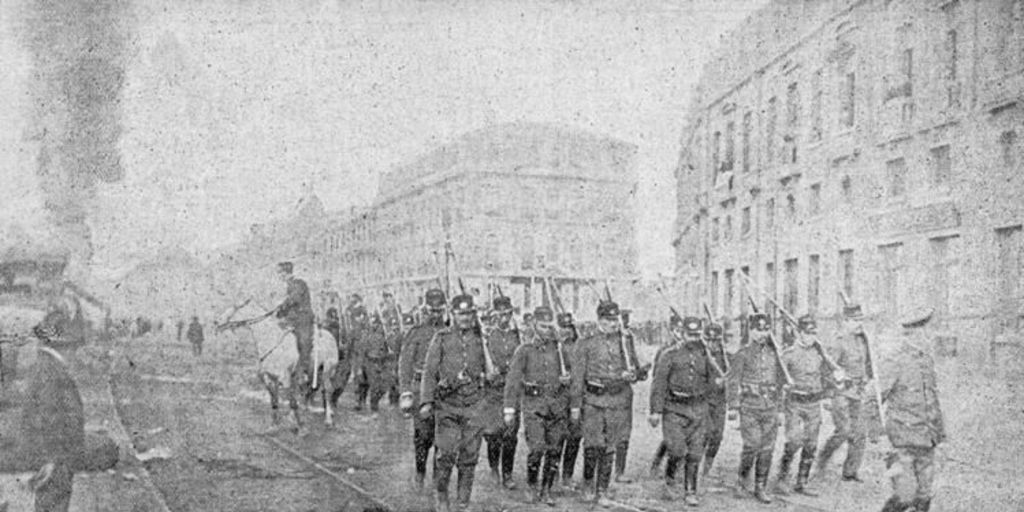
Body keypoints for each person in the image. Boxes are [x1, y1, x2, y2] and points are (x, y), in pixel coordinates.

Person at [569, 300, 646, 504]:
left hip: (617, 400)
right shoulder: (586, 342)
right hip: (593, 400)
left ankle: (602, 490)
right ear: (600, 320)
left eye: (616, 319)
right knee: (593, 445)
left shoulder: (625, 341)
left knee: (610, 447)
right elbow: (577, 377)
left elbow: (636, 369)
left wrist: (635, 375)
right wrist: (575, 406)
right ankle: (587, 484)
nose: (614, 324)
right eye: (609, 319)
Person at [419, 294, 489, 512]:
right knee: (446, 454)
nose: (465, 318)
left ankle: (463, 502)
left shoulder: (482, 338)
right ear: (453, 314)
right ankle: (441, 496)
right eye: (461, 314)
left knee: (469, 457)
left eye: (469, 313)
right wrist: (426, 401)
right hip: (448, 405)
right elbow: (430, 371)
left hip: (474, 406)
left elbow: (492, 371)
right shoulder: (442, 337)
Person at [503, 306, 572, 505]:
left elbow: (573, 374)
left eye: (550, 326)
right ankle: (532, 486)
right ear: (534, 325)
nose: (547, 330)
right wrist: (509, 409)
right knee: (537, 448)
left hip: (557, 406)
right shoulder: (524, 350)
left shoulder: (560, 350)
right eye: (543, 326)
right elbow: (513, 381)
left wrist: (568, 378)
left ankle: (547, 489)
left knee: (554, 450)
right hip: (534, 406)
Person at [879, 308, 945, 512]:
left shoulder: (926, 360)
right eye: (927, 332)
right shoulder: (895, 360)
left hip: (926, 440)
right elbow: (872, 398)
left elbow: (932, 400)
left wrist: (940, 434)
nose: (930, 336)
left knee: (924, 496)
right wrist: (879, 436)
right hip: (903, 442)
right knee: (905, 496)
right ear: (915, 334)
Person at [649, 315, 715, 506]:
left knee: (695, 453)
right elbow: (659, 384)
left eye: (696, 335)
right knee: (676, 450)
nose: (693, 339)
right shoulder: (669, 354)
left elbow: (712, 381)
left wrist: (718, 384)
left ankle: (690, 491)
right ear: (682, 334)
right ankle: (670, 478)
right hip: (674, 409)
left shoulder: (706, 355)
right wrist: (656, 411)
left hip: (698, 409)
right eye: (689, 335)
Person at [729, 313, 787, 504]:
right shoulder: (743, 353)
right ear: (751, 331)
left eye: (765, 329)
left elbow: (780, 383)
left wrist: (780, 410)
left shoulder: (775, 353)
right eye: (758, 329)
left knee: (767, 448)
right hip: (750, 406)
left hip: (770, 406)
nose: (762, 333)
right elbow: (733, 380)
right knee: (752, 445)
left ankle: (760, 486)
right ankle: (741, 478)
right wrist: (733, 406)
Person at [775, 314, 835, 496]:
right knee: (793, 441)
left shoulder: (819, 353)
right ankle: (782, 478)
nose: (811, 337)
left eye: (814, 333)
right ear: (799, 333)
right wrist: (778, 410)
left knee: (811, 444)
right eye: (808, 333)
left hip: (814, 403)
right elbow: (778, 383)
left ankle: (801, 482)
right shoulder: (788, 355)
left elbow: (826, 376)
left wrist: (829, 396)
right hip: (794, 403)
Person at [397, 289, 447, 492]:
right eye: (432, 310)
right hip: (419, 389)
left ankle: (437, 478)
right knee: (423, 436)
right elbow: (405, 363)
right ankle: (420, 472)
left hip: (443, 392)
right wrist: (405, 392)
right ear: (426, 309)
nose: (436, 314)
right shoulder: (416, 332)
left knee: (442, 437)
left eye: (439, 311)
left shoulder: (449, 332)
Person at [818, 303, 872, 482]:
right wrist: (828, 394)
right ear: (846, 321)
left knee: (860, 433)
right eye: (855, 320)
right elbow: (827, 369)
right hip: (841, 392)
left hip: (858, 391)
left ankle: (850, 471)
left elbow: (867, 364)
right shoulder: (838, 341)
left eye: (861, 320)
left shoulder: (862, 339)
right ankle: (822, 459)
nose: (859, 324)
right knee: (843, 431)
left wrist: (868, 378)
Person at [482, 296, 521, 490]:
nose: (505, 318)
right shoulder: (487, 336)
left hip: (512, 390)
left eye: (508, 314)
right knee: (493, 435)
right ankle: (494, 468)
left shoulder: (518, 335)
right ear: (494, 315)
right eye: (501, 315)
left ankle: (507, 473)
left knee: (511, 434)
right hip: (493, 391)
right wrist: (486, 373)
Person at [273, 262, 315, 400]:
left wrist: (281, 306)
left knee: (303, 342)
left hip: (303, 319)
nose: (279, 276)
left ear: (285, 272)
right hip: (293, 319)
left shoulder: (298, 283)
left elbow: (294, 299)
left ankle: (303, 371)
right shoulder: (289, 285)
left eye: (280, 273)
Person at [556, 311, 583, 490]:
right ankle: (553, 475)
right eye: (563, 328)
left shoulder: (581, 347)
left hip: (577, 396)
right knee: (557, 439)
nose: (567, 331)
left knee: (574, 438)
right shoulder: (554, 347)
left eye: (569, 327)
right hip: (558, 397)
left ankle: (567, 476)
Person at [700, 321, 729, 480]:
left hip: (719, 401)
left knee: (717, 436)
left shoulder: (726, 356)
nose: (713, 344)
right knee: (703, 434)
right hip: (703, 400)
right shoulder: (700, 355)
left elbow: (732, 374)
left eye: (716, 340)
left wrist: (727, 381)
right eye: (709, 340)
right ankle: (695, 468)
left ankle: (707, 468)